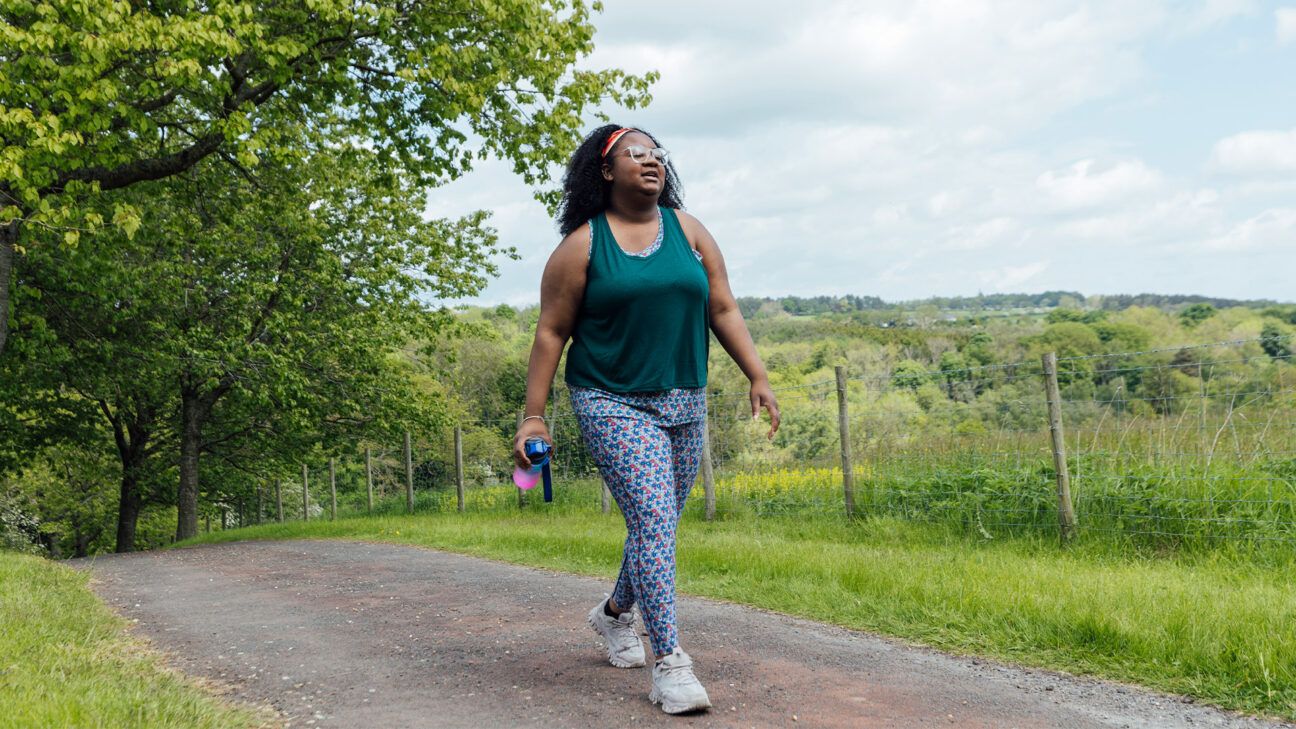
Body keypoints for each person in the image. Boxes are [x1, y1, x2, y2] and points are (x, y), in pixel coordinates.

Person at [513, 124, 780, 715]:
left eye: (657, 153)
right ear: (605, 172)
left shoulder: (689, 231)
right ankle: (670, 663)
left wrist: (756, 374)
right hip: (611, 400)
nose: (651, 161)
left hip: (685, 398)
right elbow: (551, 332)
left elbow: (722, 306)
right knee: (656, 518)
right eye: (635, 154)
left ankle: (612, 616)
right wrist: (534, 418)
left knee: (655, 525)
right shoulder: (580, 248)